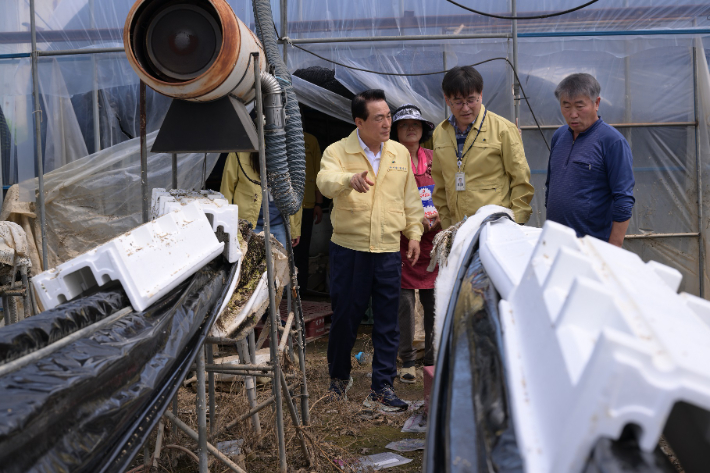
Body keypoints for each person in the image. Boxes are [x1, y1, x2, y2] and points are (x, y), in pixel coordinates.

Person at [317, 89, 424, 412]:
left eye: (388, 116)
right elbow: (324, 181)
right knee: (346, 319)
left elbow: (410, 198)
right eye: (379, 118)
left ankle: (382, 387)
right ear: (359, 121)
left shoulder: (398, 153)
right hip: (351, 249)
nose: (387, 123)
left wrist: (415, 233)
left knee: (388, 321)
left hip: (389, 249)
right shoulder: (338, 150)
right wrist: (349, 179)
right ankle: (338, 379)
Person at [431, 66, 534, 228]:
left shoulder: (503, 129)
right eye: (458, 102)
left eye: (471, 100)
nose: (465, 108)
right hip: (457, 228)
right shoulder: (440, 133)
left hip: (496, 227)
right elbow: (439, 185)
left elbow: (520, 180)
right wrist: (446, 224)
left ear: (481, 94)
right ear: (447, 100)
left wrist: (517, 221)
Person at [545, 73, 635, 246]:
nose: (572, 114)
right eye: (566, 106)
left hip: (592, 244)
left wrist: (613, 248)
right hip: (556, 240)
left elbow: (623, 199)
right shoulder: (559, 136)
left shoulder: (612, 141)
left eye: (580, 106)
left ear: (597, 103)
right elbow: (551, 185)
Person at [390, 104, 439, 382]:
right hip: (402, 241)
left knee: (434, 302)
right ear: (396, 131)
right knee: (405, 303)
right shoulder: (389, 160)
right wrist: (410, 226)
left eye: (416, 125)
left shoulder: (435, 157)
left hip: (434, 241)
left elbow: (447, 192)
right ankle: (406, 359)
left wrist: (437, 219)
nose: (411, 128)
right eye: (404, 124)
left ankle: (432, 359)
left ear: (423, 131)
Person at [220, 151, 301, 249]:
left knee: (281, 261)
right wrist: (226, 224)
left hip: (278, 225)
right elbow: (226, 190)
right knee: (249, 262)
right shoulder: (238, 154)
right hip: (248, 225)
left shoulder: (286, 152)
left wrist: (295, 229)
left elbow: (295, 193)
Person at [293, 132, 323, 294]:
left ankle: (300, 290)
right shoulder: (276, 139)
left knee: (302, 250)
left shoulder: (310, 140)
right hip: (284, 205)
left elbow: (319, 172)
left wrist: (319, 203)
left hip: (307, 204)